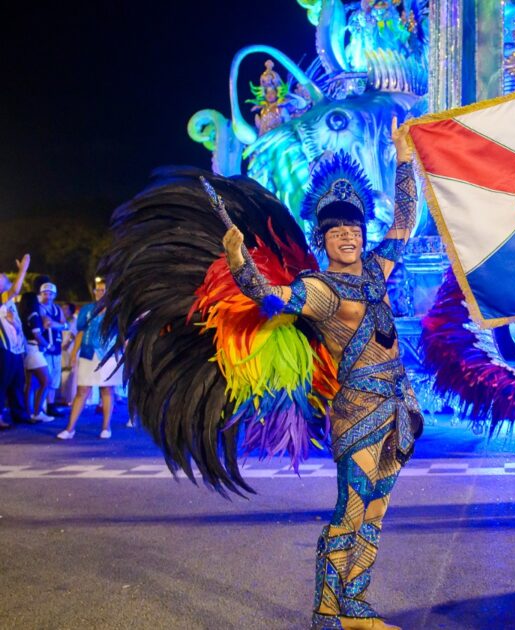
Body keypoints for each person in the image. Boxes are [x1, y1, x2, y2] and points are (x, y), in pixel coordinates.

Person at [101, 120, 424, 629]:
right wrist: (236, 259)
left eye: (354, 228)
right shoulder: (319, 289)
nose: (348, 235)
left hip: (398, 408)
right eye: (337, 230)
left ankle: (357, 605)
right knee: (351, 512)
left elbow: (405, 219)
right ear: (322, 238)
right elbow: (269, 298)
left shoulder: (378, 270)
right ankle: (326, 612)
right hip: (358, 411)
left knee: (377, 514)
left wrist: (405, 156)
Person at [57, 279, 121, 440]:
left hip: (107, 356)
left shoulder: (115, 311)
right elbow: (80, 332)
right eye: (97, 290)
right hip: (87, 353)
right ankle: (70, 429)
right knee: (82, 390)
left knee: (106, 390)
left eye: (103, 290)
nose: (100, 293)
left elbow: (121, 333)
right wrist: (73, 354)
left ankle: (106, 427)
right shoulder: (86, 309)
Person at [0, 255, 32, 429]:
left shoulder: (10, 303)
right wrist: (23, 270)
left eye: (2, 280)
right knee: (2, 382)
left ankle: (18, 413)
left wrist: (15, 326)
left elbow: (18, 327)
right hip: (2, 348)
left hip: (14, 349)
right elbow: (15, 290)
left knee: (17, 382)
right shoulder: (4, 298)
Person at [27, 282, 67, 417]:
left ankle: (50, 405)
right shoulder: (39, 308)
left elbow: (64, 324)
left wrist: (56, 325)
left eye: (50, 293)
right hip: (44, 347)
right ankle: (40, 407)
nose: (47, 296)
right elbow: (46, 323)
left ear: (54, 295)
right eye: (45, 293)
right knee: (45, 379)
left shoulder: (56, 308)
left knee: (55, 378)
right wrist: (58, 325)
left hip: (56, 346)